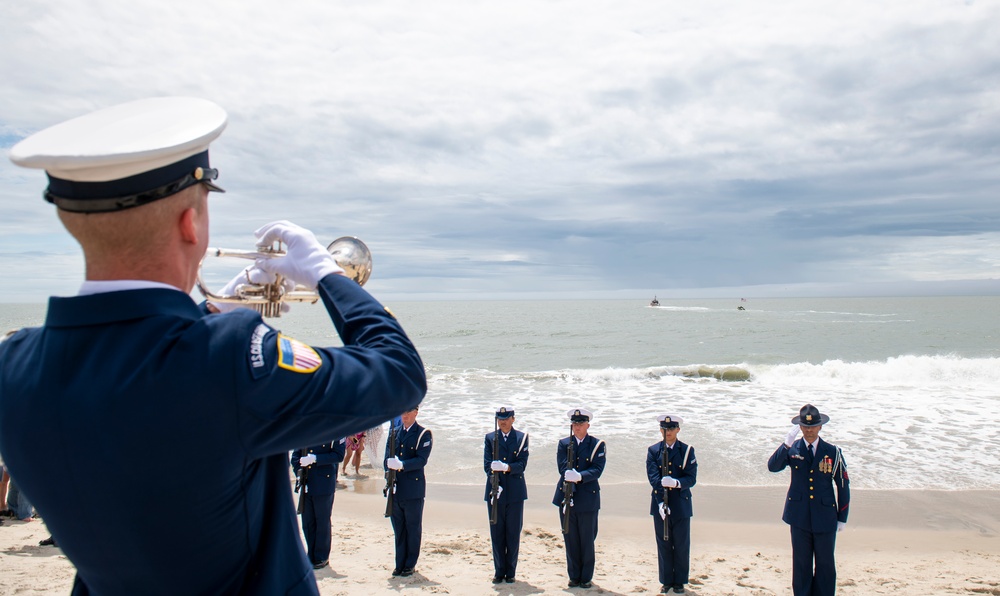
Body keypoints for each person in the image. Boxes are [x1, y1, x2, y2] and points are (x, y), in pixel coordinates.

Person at [0, 97, 426, 595]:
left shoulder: (15, 365)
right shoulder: (228, 358)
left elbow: (134, 374)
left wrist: (213, 315)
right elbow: (399, 372)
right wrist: (328, 277)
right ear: (190, 222)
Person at [767, 404, 850, 596]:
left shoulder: (833, 452)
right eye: (805, 427)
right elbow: (772, 467)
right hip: (799, 516)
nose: (809, 430)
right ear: (800, 428)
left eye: (813, 427)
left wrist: (842, 516)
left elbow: (843, 485)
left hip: (825, 516)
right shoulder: (793, 448)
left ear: (820, 427)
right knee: (801, 564)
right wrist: (786, 443)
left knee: (825, 565)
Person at [552, 407, 606, 590]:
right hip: (567, 495)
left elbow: (597, 469)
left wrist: (580, 476)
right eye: (574, 423)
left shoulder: (597, 445)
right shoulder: (564, 443)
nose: (577, 426)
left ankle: (586, 577)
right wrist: (569, 475)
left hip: (587, 498)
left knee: (587, 539)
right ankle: (574, 576)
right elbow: (561, 467)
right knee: (571, 537)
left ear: (587, 425)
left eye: (581, 423)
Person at [645, 414, 698, 595]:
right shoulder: (653, 451)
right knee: (664, 543)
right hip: (660, 503)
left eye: (671, 428)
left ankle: (679, 581)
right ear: (661, 430)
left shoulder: (687, 450)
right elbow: (653, 477)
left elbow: (691, 478)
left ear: (678, 430)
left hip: (681, 503)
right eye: (665, 429)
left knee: (681, 544)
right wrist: (660, 501)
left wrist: (676, 483)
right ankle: (666, 580)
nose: (668, 432)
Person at [384, 406, 432, 578]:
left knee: (412, 527)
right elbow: (386, 459)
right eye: (402, 412)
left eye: (407, 412)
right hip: (396, 488)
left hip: (413, 489)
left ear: (416, 412)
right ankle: (400, 563)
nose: (404, 415)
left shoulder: (423, 434)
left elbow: (421, 460)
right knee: (399, 528)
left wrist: (402, 465)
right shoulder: (394, 432)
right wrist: (388, 471)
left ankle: (410, 564)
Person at [483, 406, 529, 584]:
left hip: (515, 491)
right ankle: (498, 571)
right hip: (495, 491)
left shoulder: (521, 437)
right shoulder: (490, 438)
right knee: (497, 532)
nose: (502, 421)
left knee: (512, 533)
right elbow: (487, 464)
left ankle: (510, 572)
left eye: (506, 418)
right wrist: (493, 473)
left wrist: (507, 467)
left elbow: (522, 464)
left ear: (513, 419)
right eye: (500, 418)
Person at [292, 438, 347, 570]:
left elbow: (338, 455)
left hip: (323, 482)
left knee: (322, 521)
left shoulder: (336, 430)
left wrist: (315, 458)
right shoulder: (306, 430)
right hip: (307, 480)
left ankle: (321, 556)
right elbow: (295, 455)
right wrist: (298, 471)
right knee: (307, 521)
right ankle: (310, 554)